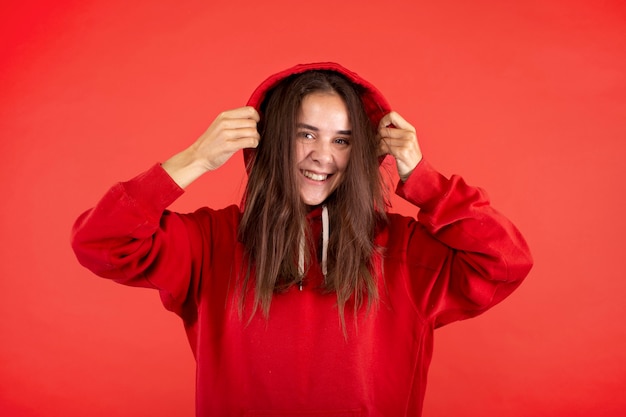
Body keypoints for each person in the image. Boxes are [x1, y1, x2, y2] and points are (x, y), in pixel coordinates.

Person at [71, 62, 533, 416]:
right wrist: (194, 159)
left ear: (364, 151)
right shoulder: (210, 243)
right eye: (305, 134)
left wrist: (423, 179)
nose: (322, 157)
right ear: (270, 139)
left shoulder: (403, 250)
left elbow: (504, 261)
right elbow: (100, 240)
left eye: (342, 140)